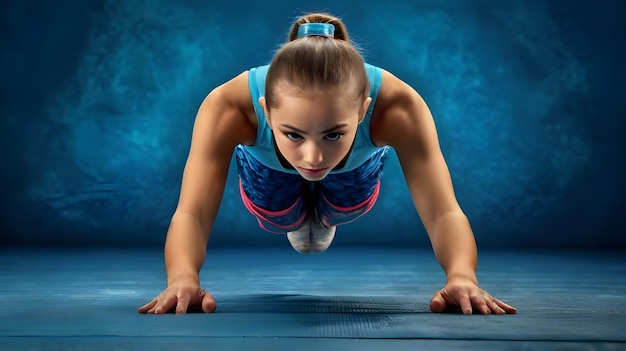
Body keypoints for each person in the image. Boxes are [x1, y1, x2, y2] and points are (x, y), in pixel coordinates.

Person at [138, 13, 517, 316]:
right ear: (265, 111)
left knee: (344, 206)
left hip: (352, 171)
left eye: (333, 133)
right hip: (270, 170)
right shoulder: (227, 107)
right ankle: (296, 208)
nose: (313, 157)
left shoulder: (399, 108)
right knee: (279, 215)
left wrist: (462, 276)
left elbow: (443, 211)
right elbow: (192, 212)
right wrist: (182, 276)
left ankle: (326, 209)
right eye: (293, 134)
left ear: (364, 110)